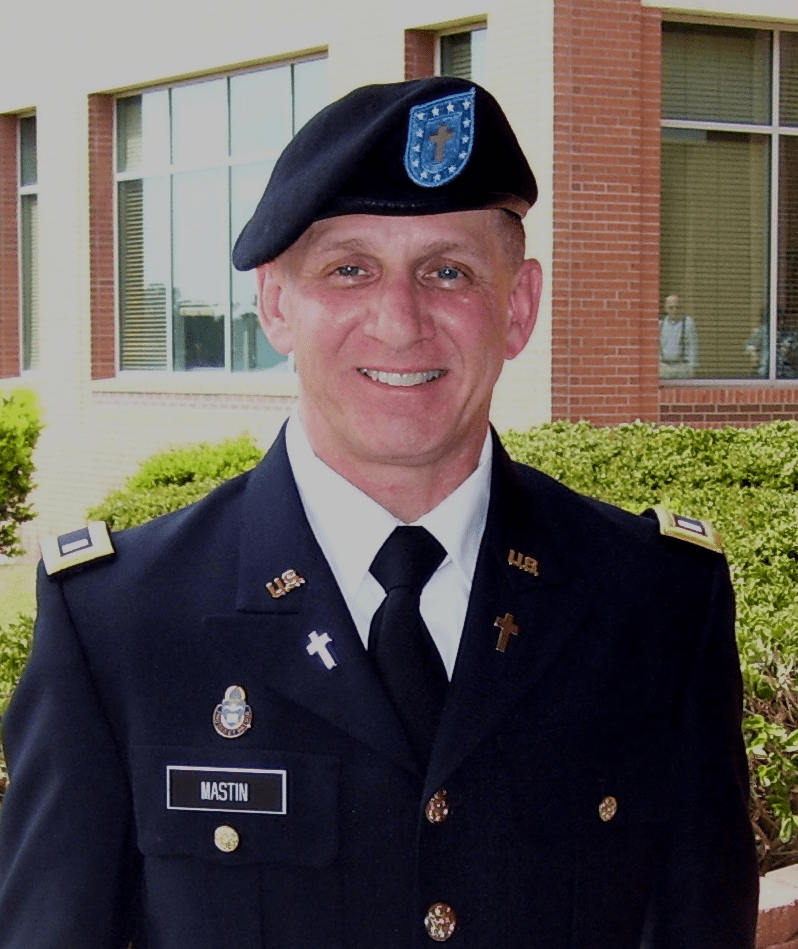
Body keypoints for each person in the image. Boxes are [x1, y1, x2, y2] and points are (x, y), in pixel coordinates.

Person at [0, 77, 758, 948]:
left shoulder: (657, 604)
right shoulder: (121, 625)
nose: (400, 322)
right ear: (276, 304)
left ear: (517, 308)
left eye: (448, 271)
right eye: (349, 269)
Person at [659, 293, 699, 379]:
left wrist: (692, 369)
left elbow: (693, 346)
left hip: (682, 367)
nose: (674, 310)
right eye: (671, 308)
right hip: (664, 367)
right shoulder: (661, 324)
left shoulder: (688, 322)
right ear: (666, 308)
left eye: (677, 307)